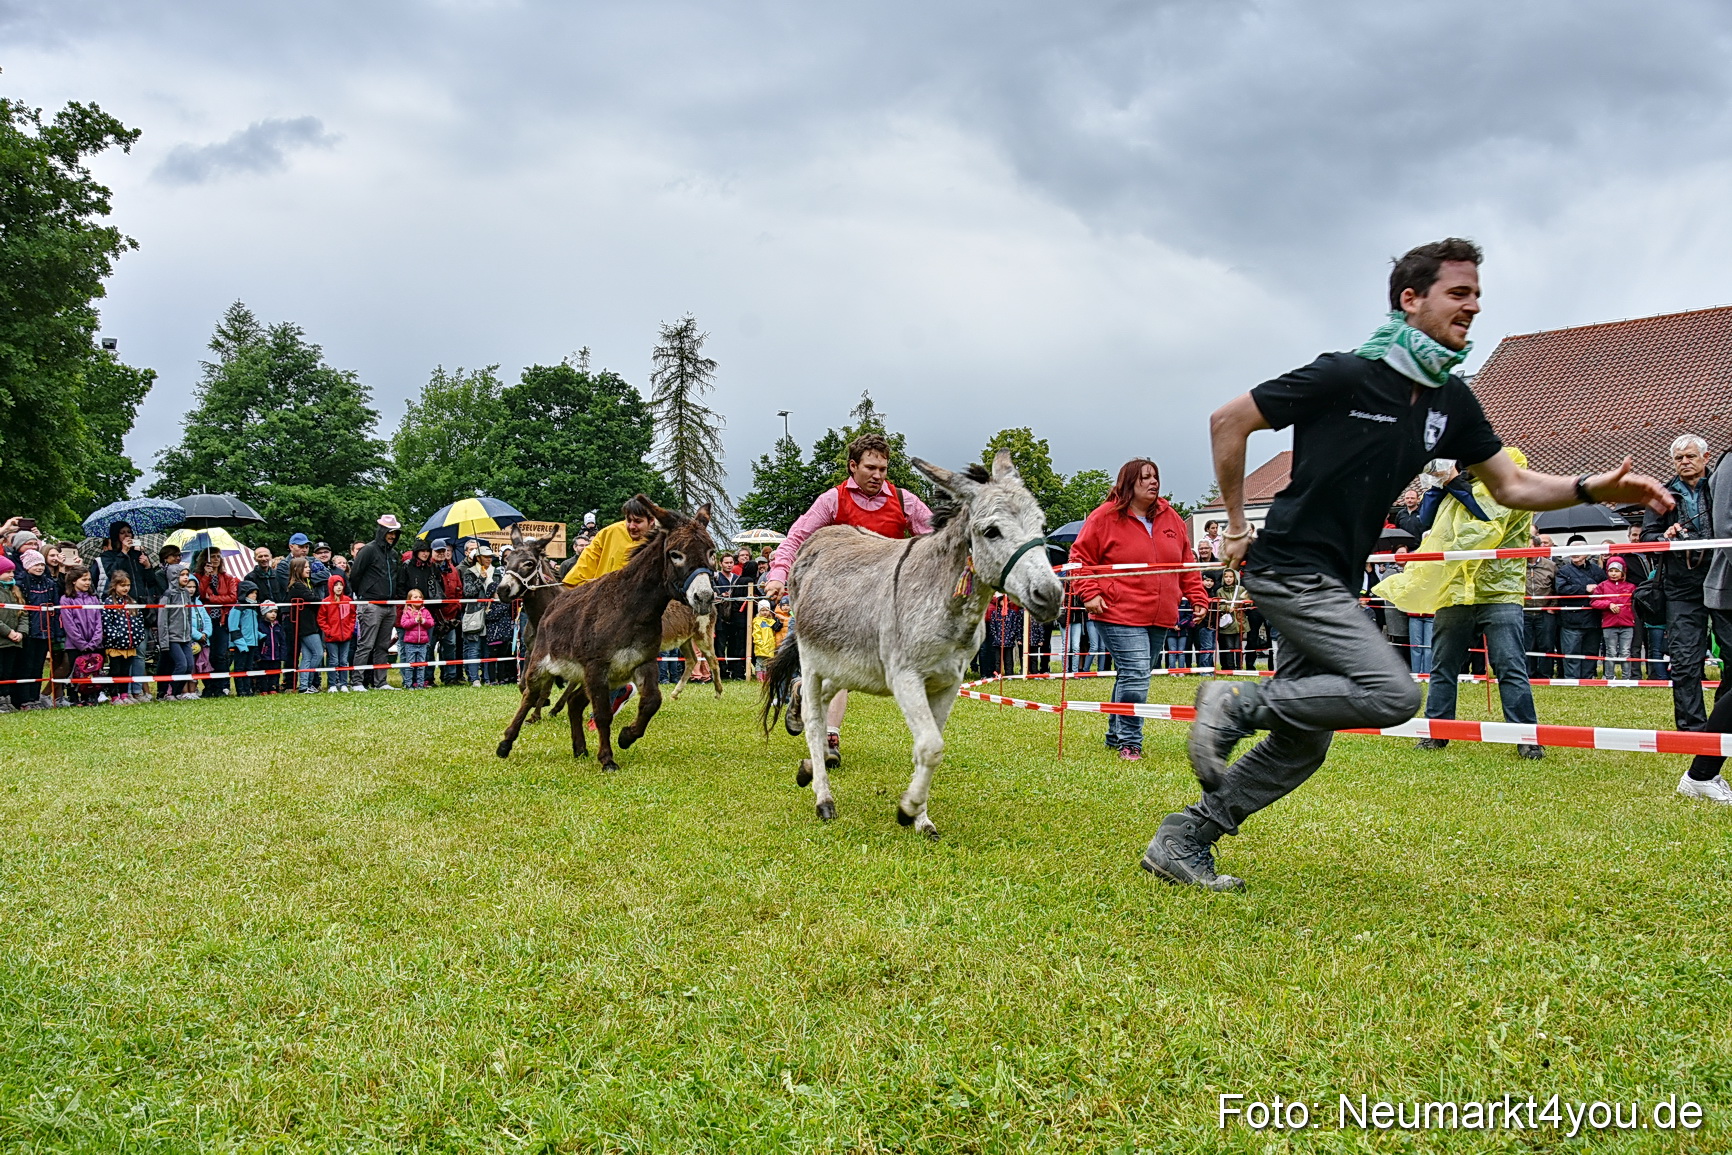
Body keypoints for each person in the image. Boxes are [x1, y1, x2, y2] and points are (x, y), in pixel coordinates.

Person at [1148, 237, 1671, 891]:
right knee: (1393, 694)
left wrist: (1594, 488)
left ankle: (1183, 837)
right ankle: (1233, 705)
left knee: (1304, 741)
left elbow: (1512, 486)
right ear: (1410, 299)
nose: (1474, 306)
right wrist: (1230, 521)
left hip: (1332, 579)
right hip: (1288, 567)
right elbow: (1229, 421)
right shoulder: (1345, 374)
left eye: (1478, 294)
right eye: (1459, 292)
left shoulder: (1450, 400)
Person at [761, 434, 937, 753]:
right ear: (853, 466)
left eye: (883, 468)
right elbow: (796, 538)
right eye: (871, 467)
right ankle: (830, 737)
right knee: (839, 667)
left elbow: (937, 543)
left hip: (885, 603)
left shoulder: (904, 501)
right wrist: (777, 576)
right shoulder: (834, 500)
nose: (878, 475)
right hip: (837, 599)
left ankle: (801, 688)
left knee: (858, 671)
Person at [1375, 447, 1542, 759]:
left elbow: (1489, 519)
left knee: (1509, 664)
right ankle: (1435, 733)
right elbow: (1424, 523)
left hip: (1498, 590)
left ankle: (1526, 736)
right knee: (1443, 664)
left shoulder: (1509, 481)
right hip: (1457, 589)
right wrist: (1438, 487)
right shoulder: (1461, 485)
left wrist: (1457, 484)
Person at [1069, 458, 1209, 761]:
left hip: (1160, 613)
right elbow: (1079, 559)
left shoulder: (1171, 518)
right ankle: (1130, 742)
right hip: (1116, 609)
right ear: (1128, 483)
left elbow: (1186, 563)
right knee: (1135, 674)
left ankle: (1114, 733)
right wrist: (1089, 593)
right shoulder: (1103, 517)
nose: (1153, 482)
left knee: (1133, 674)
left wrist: (1197, 596)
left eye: (1156, 476)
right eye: (1145, 477)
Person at [1642, 434, 1730, 731]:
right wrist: (1663, 536)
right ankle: (1692, 729)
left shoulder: (1721, 486)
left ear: (1706, 458)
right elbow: (1646, 537)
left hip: (1721, 577)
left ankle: (1722, 719)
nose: (1685, 462)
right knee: (1684, 660)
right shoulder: (1661, 494)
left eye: (1691, 456)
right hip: (1680, 585)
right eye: (1679, 458)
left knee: (1730, 654)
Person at [349, 515, 405, 690]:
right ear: (382, 531)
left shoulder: (394, 554)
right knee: (365, 645)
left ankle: (381, 682)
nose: (392, 536)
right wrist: (364, 596)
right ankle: (357, 681)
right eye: (390, 532)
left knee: (383, 646)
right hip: (371, 604)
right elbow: (355, 575)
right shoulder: (368, 550)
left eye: (395, 533)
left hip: (389, 605)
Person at [1553, 539, 1606, 679]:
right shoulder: (1563, 571)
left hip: (1593, 619)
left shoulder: (1597, 571)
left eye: (1578, 551)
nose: (1575, 555)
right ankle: (1572, 680)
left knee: (1591, 653)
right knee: (1571, 653)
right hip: (1571, 620)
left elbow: (1605, 588)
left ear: (1587, 554)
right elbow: (1561, 589)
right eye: (1572, 552)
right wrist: (1585, 589)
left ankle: (1588, 679)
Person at [16, 548, 57, 708]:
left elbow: (54, 607)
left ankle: (35, 698)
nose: (39, 567)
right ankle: (24, 700)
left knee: (38, 666)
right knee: (26, 666)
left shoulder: (50, 584)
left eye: (41, 564)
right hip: (29, 631)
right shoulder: (22, 583)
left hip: (45, 631)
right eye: (35, 564)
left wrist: (53, 631)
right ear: (27, 566)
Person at [194, 549, 238, 697]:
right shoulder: (198, 577)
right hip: (204, 621)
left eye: (218, 556)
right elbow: (199, 594)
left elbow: (232, 597)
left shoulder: (228, 578)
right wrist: (206, 577)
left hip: (221, 620)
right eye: (212, 556)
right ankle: (209, 686)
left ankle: (222, 686)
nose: (216, 559)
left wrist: (212, 599)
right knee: (206, 655)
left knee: (220, 654)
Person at [100, 569, 148, 703]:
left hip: (130, 645)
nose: (126, 588)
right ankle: (114, 696)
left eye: (128, 585)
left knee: (126, 671)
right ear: (114, 585)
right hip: (116, 645)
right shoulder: (109, 602)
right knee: (116, 671)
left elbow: (139, 621)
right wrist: (117, 637)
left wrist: (138, 637)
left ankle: (124, 695)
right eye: (122, 585)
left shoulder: (132, 602)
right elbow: (106, 624)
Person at [59, 566, 104, 706]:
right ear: (73, 581)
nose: (87, 583)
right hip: (74, 644)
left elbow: (99, 622)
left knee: (94, 670)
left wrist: (94, 642)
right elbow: (69, 624)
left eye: (89, 579)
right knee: (75, 671)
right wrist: (82, 644)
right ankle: (74, 697)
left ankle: (92, 696)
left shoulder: (94, 599)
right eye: (84, 579)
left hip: (95, 643)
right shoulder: (66, 599)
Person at [1592, 558, 1638, 680]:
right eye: (1611, 570)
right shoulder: (1602, 586)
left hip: (1627, 624)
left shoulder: (1631, 587)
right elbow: (1594, 602)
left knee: (1625, 652)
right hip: (1609, 624)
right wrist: (1608, 604)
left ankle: (1626, 677)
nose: (1613, 573)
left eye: (1616, 571)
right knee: (1610, 652)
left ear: (1623, 572)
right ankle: (1608, 676)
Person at [460, 546, 498, 686]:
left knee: (488, 648)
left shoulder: (497, 572)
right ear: (478, 557)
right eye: (486, 556)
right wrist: (480, 580)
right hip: (474, 613)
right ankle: (474, 678)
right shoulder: (470, 572)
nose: (489, 559)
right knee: (474, 647)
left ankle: (487, 678)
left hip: (493, 614)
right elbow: (468, 592)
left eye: (490, 556)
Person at [160, 565, 199, 700]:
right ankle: (168, 693)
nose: (185, 578)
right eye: (182, 575)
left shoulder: (186, 594)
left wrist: (189, 635)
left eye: (186, 575)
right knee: (181, 665)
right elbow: (162, 619)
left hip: (185, 638)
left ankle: (176, 692)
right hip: (172, 638)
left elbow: (188, 616)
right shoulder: (168, 595)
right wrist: (164, 641)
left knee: (189, 666)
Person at [1524, 534, 1559, 679]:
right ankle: (1528, 674)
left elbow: (1557, 588)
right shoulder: (1518, 565)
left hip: (1545, 611)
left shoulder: (1550, 566)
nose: (1526, 549)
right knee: (1527, 645)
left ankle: (1546, 674)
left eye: (1530, 545)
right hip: (1524, 611)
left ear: (1537, 548)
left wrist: (1553, 607)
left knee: (1546, 645)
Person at [287, 558, 324, 694]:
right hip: (306, 626)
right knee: (318, 653)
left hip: (309, 624)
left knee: (308, 656)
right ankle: (307, 683)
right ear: (297, 569)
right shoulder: (297, 586)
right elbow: (314, 600)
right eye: (306, 567)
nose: (309, 569)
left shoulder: (305, 584)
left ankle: (304, 686)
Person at [430, 542, 465, 685]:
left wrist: (456, 607)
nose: (441, 554)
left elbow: (459, 591)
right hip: (432, 615)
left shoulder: (453, 570)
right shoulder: (428, 568)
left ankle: (450, 677)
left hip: (450, 615)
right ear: (432, 552)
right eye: (438, 551)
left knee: (450, 646)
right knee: (430, 647)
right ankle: (428, 678)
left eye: (443, 551)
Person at [225, 582, 263, 696]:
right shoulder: (238, 608)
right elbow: (233, 627)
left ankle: (248, 689)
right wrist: (241, 644)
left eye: (255, 593)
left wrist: (260, 636)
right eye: (251, 593)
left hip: (252, 643)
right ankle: (240, 690)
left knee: (249, 667)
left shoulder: (253, 609)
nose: (254, 596)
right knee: (239, 668)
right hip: (241, 645)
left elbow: (252, 628)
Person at [0, 558, 26, 712]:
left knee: (9, 672)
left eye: (12, 572)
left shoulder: (15, 591)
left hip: (14, 641)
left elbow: (23, 614)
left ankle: (6, 699)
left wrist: (21, 633)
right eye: (7, 572)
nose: (11, 575)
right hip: (3, 639)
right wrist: (8, 632)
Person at [398, 590, 435, 689]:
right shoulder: (407, 612)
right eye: (415, 597)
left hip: (423, 643)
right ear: (409, 600)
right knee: (410, 665)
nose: (418, 599)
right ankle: (408, 684)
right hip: (410, 643)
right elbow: (404, 624)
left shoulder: (425, 612)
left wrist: (422, 620)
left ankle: (420, 684)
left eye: (420, 597)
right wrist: (415, 620)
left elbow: (431, 623)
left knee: (421, 665)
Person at [751, 599, 781, 681]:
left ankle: (767, 677)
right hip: (761, 646)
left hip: (770, 647)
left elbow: (775, 631)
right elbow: (756, 633)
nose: (765, 612)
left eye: (767, 610)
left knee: (769, 663)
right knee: (760, 663)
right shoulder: (757, 621)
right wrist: (759, 642)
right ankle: (760, 678)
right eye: (762, 610)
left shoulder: (771, 621)